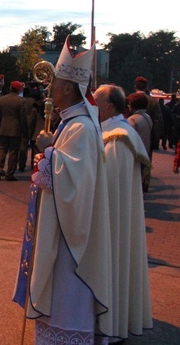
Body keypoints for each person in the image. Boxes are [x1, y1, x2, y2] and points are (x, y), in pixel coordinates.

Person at [22, 37, 114, 342]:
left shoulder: (82, 128)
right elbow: (62, 169)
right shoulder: (70, 123)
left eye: (56, 83)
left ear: (66, 88)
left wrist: (50, 154)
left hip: (69, 232)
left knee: (65, 285)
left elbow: (77, 182)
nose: (50, 89)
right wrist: (48, 157)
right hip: (59, 224)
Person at [93, 84, 153, 340]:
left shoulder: (118, 138)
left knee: (114, 263)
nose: (92, 105)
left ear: (108, 106)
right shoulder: (110, 131)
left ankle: (111, 320)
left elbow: (107, 185)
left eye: (95, 100)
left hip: (111, 221)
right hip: (108, 217)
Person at [0, 80, 27, 181]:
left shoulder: (2, 99)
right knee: (13, 152)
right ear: (19, 89)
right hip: (15, 130)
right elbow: (23, 118)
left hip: (3, 128)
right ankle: (10, 173)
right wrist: (25, 131)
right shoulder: (21, 101)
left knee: (2, 149)